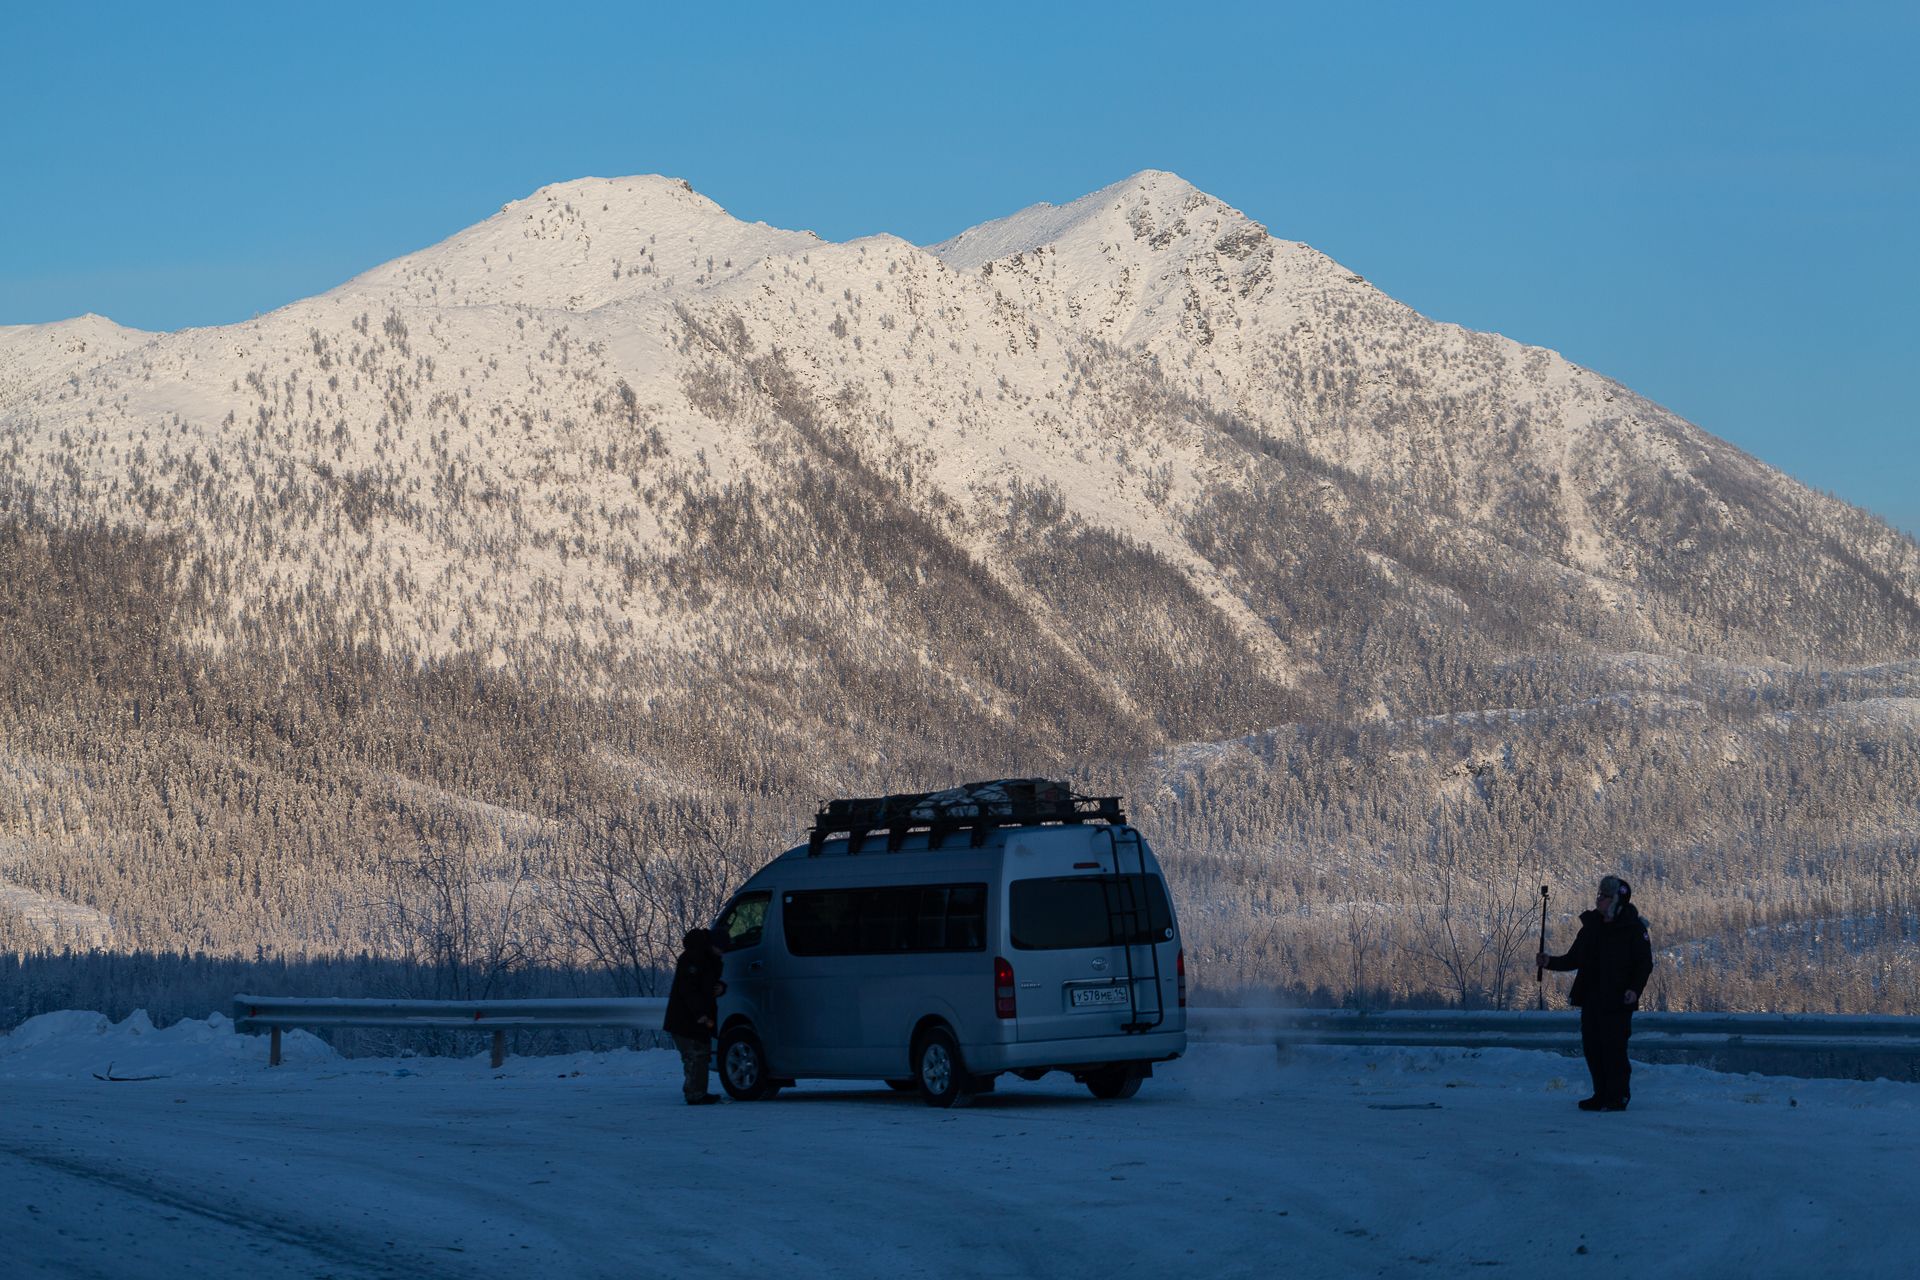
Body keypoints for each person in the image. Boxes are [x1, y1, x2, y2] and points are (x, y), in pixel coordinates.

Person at [1537, 875, 1653, 1112]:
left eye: (1604, 896)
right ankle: (1600, 1094)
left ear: (1616, 900)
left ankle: (1618, 1096)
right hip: (1592, 998)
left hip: (1618, 1000)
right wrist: (1549, 962)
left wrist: (1634, 990)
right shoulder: (1592, 927)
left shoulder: (1633, 929)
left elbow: (1644, 964)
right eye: (1599, 894)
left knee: (1614, 1049)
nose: (1598, 899)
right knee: (1593, 1048)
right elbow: (1574, 958)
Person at [662, 927, 727, 1105]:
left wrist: (720, 987)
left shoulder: (708, 959)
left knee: (700, 1054)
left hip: (696, 1016)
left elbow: (706, 985)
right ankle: (695, 1093)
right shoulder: (695, 958)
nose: (724, 952)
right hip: (686, 1017)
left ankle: (698, 1092)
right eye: (722, 947)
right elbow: (688, 990)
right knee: (695, 1055)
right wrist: (700, 1014)